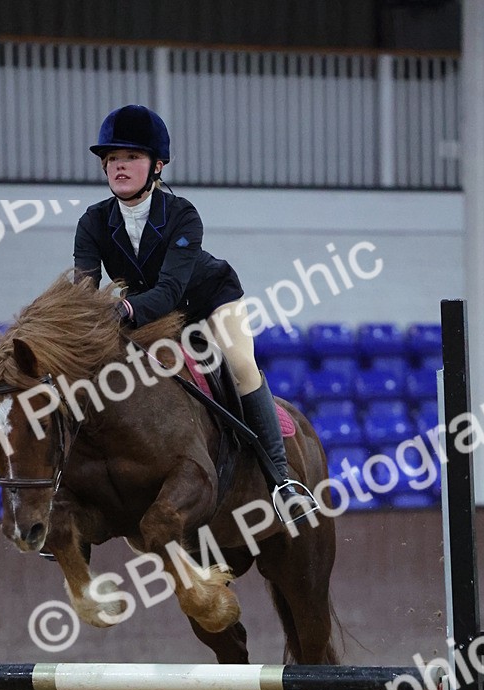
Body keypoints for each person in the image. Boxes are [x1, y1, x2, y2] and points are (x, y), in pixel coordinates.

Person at [73, 103, 318, 525]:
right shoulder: (93, 221)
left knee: (241, 364)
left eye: (131, 157)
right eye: (111, 159)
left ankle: (282, 481)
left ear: (157, 165)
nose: (119, 166)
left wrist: (123, 308)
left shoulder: (183, 214)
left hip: (207, 302)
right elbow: (84, 290)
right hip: (142, 316)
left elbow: (169, 291)